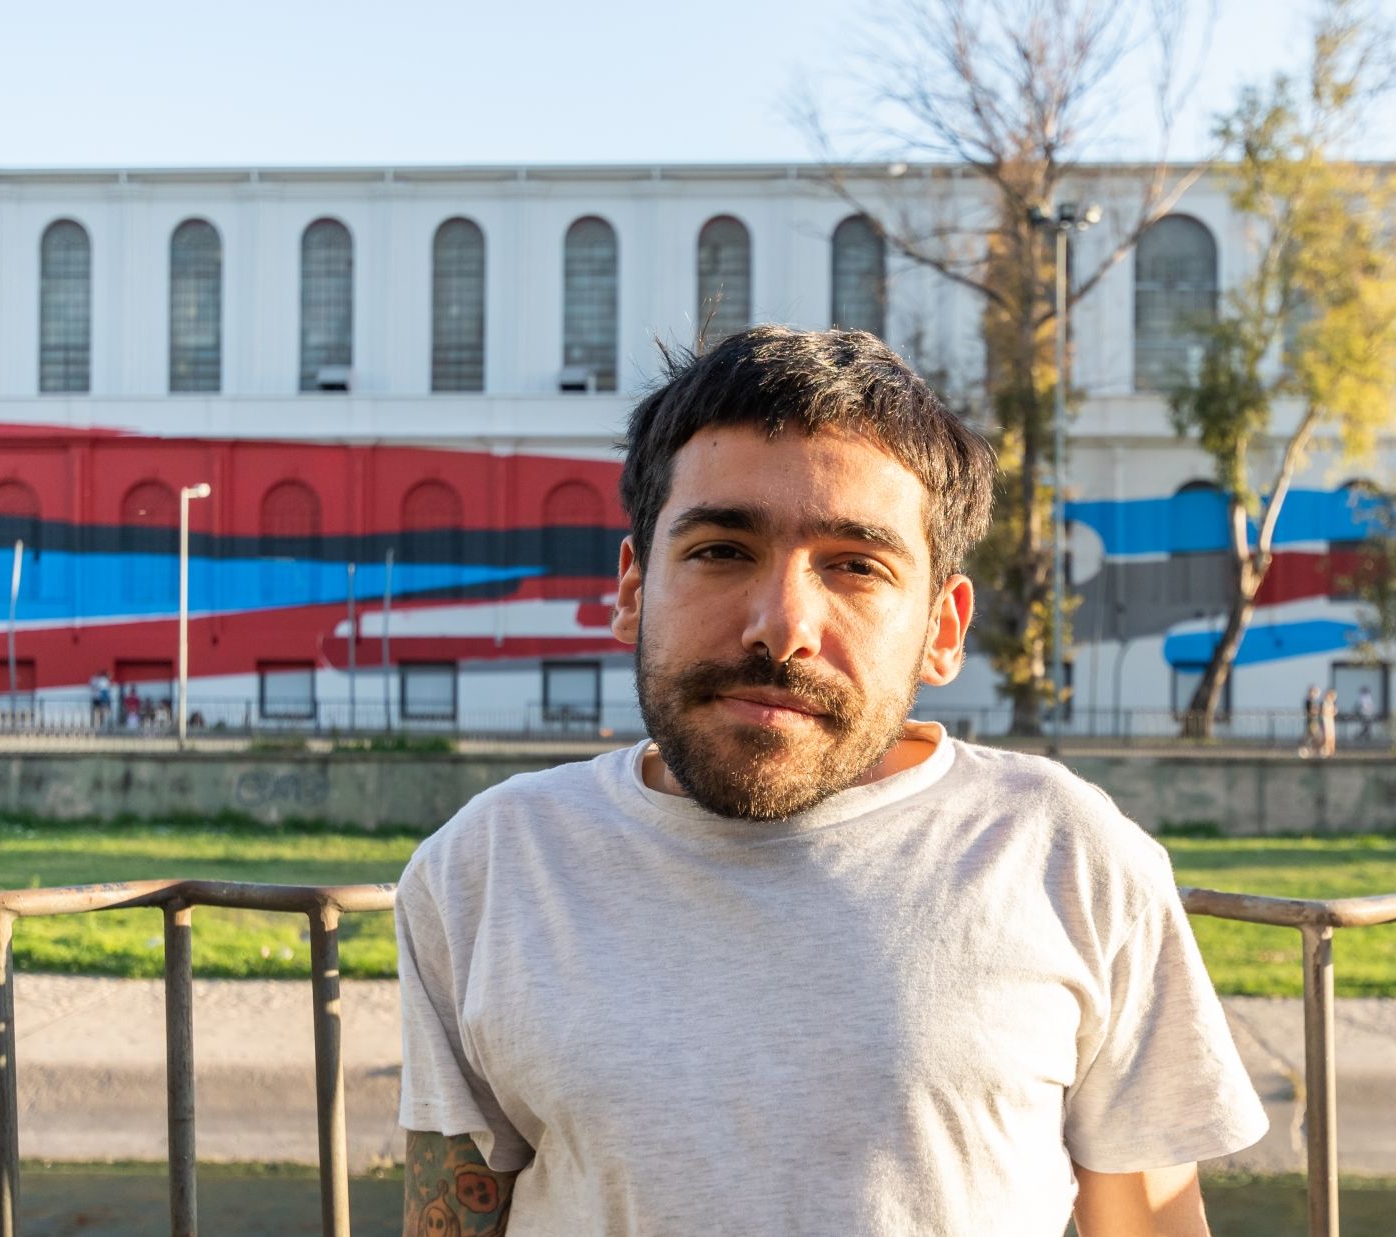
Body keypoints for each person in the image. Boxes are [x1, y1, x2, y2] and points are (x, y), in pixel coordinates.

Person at [396, 326, 1265, 1237]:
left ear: (942, 628)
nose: (782, 627)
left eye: (855, 566)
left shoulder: (1069, 856)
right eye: (722, 550)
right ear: (633, 589)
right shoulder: (486, 868)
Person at [1299, 682, 1321, 758]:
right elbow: (1311, 711)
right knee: (1314, 736)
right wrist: (1317, 710)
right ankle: (1305, 749)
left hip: (1314, 720)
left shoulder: (1313, 701)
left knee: (1311, 736)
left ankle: (1308, 750)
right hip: (1311, 721)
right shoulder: (1308, 701)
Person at [1319, 687, 1340, 758]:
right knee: (1326, 736)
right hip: (1325, 721)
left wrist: (1334, 712)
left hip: (1330, 721)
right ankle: (1326, 751)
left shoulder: (1331, 703)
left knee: (1332, 736)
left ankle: (1331, 751)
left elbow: (1332, 713)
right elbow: (1323, 712)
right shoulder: (1324, 703)